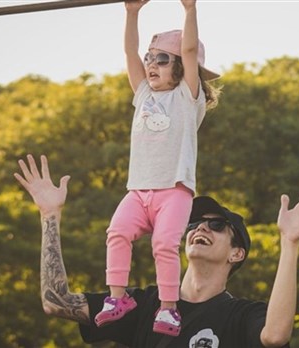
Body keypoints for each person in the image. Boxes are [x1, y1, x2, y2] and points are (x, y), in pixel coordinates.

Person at [14, 154, 299, 347]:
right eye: (195, 223)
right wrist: (49, 216)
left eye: (216, 226)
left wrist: (290, 242)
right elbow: (55, 302)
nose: (201, 228)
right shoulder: (141, 305)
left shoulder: (239, 315)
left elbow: (276, 335)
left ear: (236, 253)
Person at [96, 0, 221, 335]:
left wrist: (190, 10)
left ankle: (168, 309)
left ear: (180, 67)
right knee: (117, 233)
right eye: (150, 58)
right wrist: (132, 13)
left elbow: (191, 49)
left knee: (164, 245)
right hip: (138, 191)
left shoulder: (186, 98)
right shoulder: (142, 95)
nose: (151, 64)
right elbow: (129, 52)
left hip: (174, 190)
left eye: (162, 59)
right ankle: (117, 298)